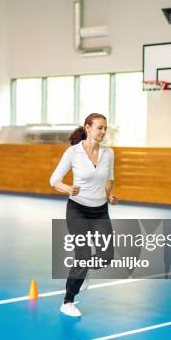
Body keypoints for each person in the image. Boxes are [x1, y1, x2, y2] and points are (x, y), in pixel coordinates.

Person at [49, 113, 117, 317]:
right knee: (83, 255)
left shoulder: (108, 153)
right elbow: (54, 180)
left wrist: (110, 194)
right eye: (99, 128)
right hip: (77, 209)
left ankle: (84, 270)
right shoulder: (73, 152)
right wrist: (68, 188)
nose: (103, 132)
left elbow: (110, 179)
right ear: (88, 128)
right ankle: (68, 301)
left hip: (100, 210)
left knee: (106, 256)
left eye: (105, 128)